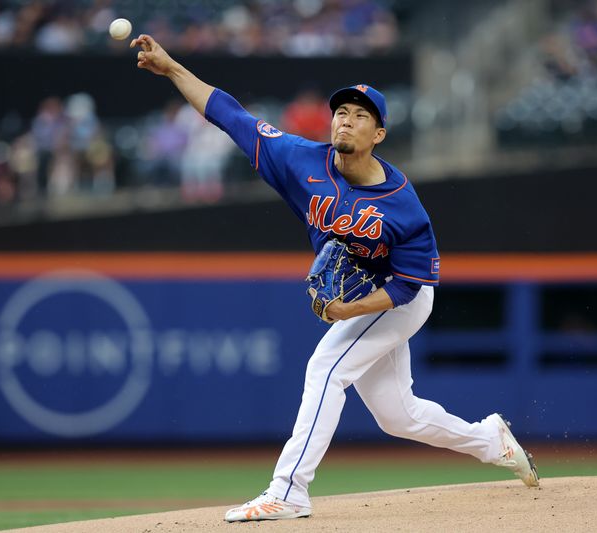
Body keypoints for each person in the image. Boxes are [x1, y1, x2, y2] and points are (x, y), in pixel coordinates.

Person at [130, 33, 540, 522]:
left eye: (361, 115)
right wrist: (173, 67)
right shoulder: (302, 160)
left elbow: (409, 286)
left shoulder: (403, 207)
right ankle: (491, 441)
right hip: (367, 299)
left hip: (398, 300)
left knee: (325, 368)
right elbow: (229, 115)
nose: (346, 119)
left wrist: (348, 310)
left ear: (379, 135)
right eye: (341, 111)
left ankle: (289, 491)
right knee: (398, 416)